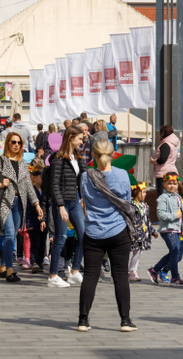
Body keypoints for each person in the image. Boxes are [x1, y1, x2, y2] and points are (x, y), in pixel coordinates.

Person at [77, 138, 137, 332]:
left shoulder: (86, 176)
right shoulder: (122, 175)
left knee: (90, 276)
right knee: (120, 276)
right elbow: (126, 203)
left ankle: (83, 320)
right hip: (118, 231)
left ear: (93, 155)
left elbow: (85, 200)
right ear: (113, 155)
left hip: (93, 231)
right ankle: (125, 320)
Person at [0, 132, 42, 282]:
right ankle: (10, 270)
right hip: (4, 202)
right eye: (13, 142)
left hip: (19, 204)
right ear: (8, 144)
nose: (16, 145)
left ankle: (3, 267)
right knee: (10, 234)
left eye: (19, 142)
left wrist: (36, 204)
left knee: (11, 235)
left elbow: (28, 186)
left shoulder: (23, 163)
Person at [49, 125, 88, 288]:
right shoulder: (58, 158)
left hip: (75, 200)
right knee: (60, 238)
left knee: (84, 235)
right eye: (79, 139)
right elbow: (54, 184)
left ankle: (74, 272)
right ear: (70, 138)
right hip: (62, 202)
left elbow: (85, 178)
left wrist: (84, 198)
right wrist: (60, 206)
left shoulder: (77, 157)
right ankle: (53, 276)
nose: (81, 142)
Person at [148, 173, 183, 286]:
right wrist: (175, 216)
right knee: (175, 250)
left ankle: (155, 270)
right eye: (169, 183)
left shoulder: (178, 197)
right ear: (164, 184)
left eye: (175, 183)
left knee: (175, 252)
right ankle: (175, 277)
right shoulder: (162, 198)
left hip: (176, 229)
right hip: (168, 229)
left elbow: (182, 215)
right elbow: (161, 215)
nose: (172, 186)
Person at [128, 181, 156, 281]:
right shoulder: (131, 205)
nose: (145, 194)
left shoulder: (145, 206)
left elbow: (147, 220)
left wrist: (153, 231)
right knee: (129, 252)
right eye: (143, 192)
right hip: (133, 234)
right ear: (136, 192)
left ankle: (132, 271)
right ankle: (126, 271)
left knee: (138, 253)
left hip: (143, 234)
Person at [27, 158, 48, 273]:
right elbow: (28, 209)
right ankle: (34, 261)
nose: (43, 180)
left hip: (43, 222)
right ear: (34, 178)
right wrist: (29, 223)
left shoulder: (45, 191)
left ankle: (40, 262)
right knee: (34, 243)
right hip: (34, 223)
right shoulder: (32, 191)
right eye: (41, 177)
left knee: (42, 243)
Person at [149, 125, 179, 195]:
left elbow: (163, 159)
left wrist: (154, 161)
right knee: (170, 194)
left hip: (163, 174)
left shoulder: (165, 144)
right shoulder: (172, 144)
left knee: (162, 194)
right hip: (171, 171)